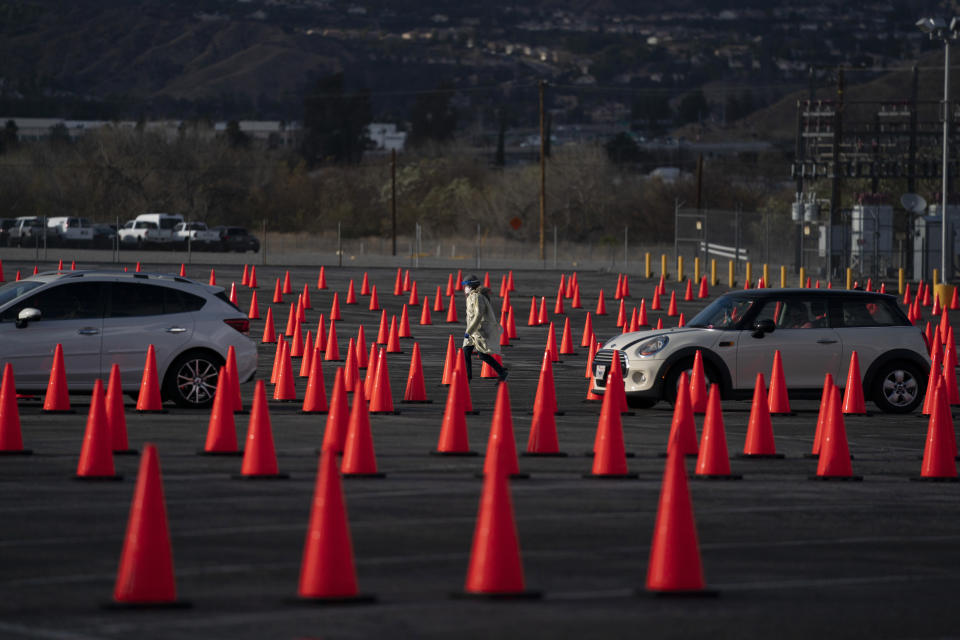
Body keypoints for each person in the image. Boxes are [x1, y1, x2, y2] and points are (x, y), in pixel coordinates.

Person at [461, 274, 508, 383]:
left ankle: (502, 372)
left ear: (471, 286)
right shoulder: (471, 297)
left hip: (478, 331)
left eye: (466, 286)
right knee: (466, 351)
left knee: (482, 355)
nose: (464, 288)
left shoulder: (477, 297)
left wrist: (469, 331)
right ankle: (467, 377)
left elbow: (478, 315)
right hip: (473, 331)